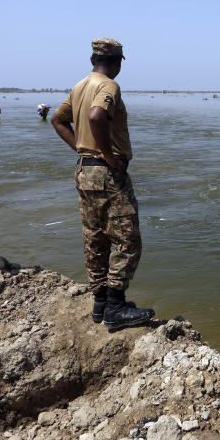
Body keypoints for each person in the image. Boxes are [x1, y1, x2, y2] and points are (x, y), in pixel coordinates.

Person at [51, 38, 154, 331]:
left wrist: (83, 150)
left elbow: (58, 121)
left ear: (92, 59)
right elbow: (97, 115)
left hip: (85, 171)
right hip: (108, 174)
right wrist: (108, 156)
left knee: (94, 236)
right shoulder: (108, 86)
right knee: (126, 238)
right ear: (118, 62)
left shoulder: (80, 85)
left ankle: (100, 302)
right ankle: (116, 307)